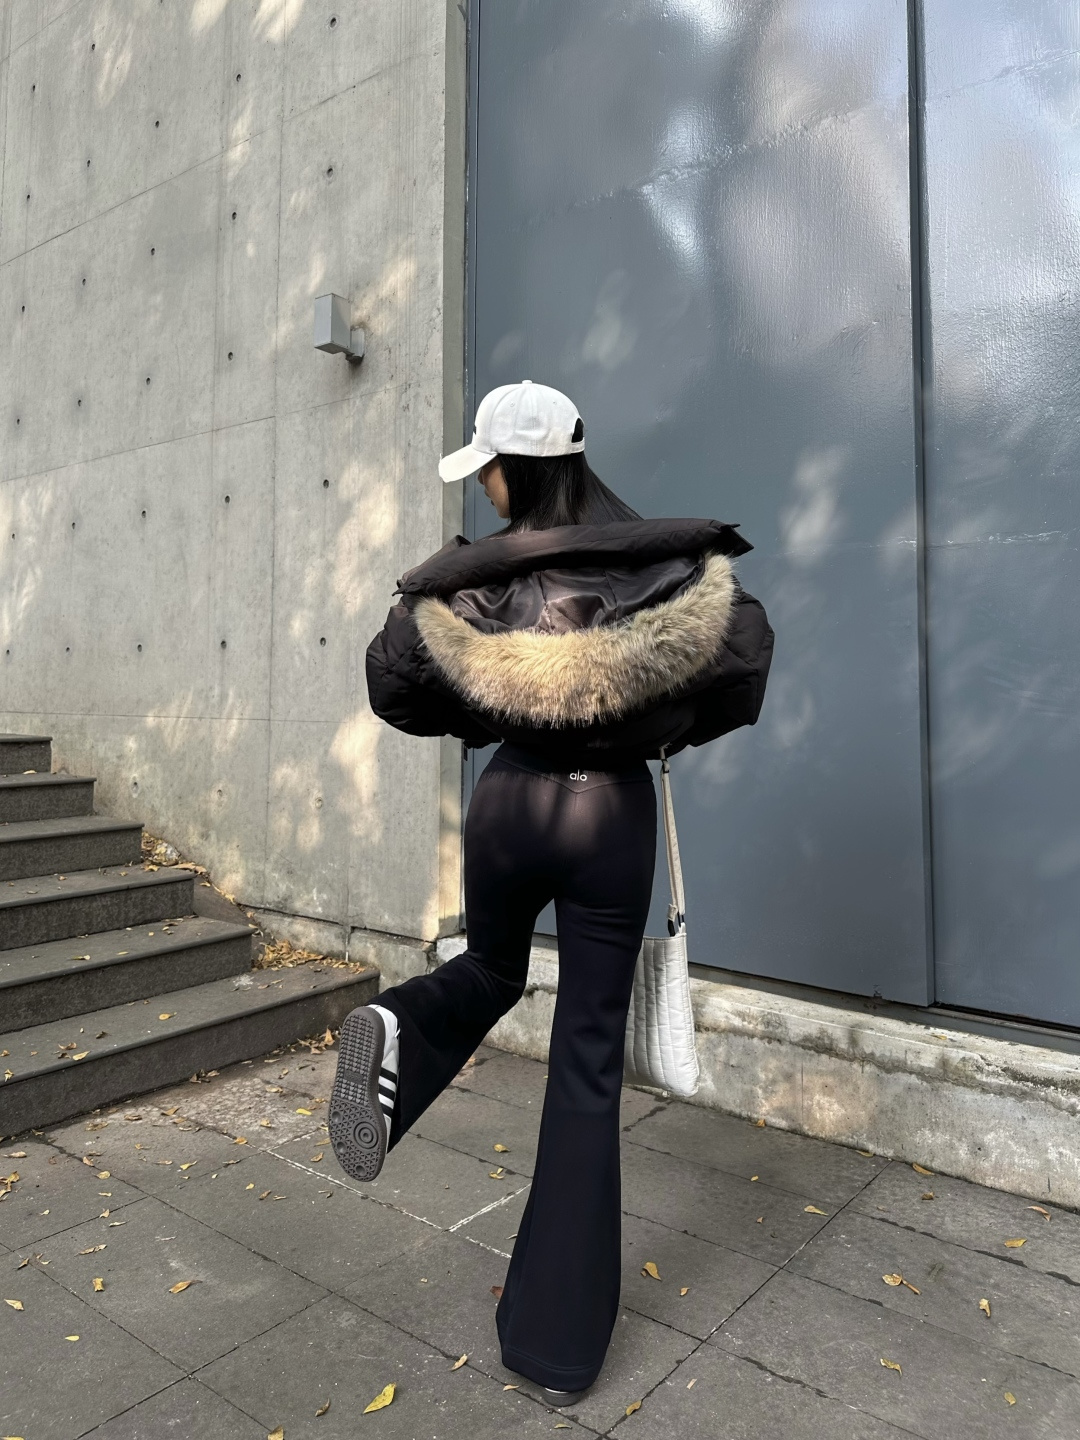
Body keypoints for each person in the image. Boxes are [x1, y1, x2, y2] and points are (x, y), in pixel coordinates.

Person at [329, 380, 773, 1404]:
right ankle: (555, 1347)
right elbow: (741, 667)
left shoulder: (469, 583)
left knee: (491, 967)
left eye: (486, 468)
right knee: (585, 1068)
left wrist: (488, 707)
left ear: (513, 468)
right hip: (609, 819)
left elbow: (393, 683)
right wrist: (654, 723)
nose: (482, 486)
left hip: (512, 801)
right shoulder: (668, 566)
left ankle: (404, 1023)